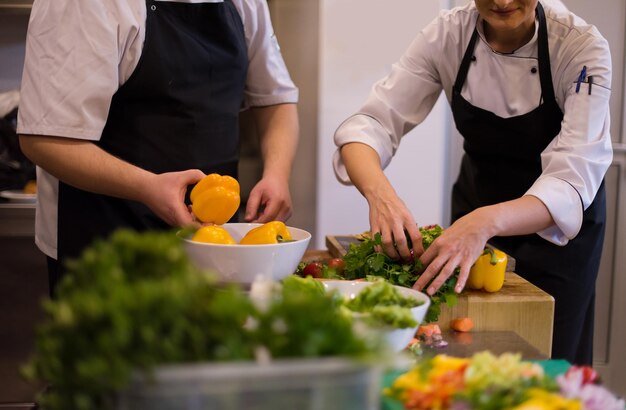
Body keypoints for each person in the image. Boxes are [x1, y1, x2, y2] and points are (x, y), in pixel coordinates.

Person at [333, 0, 611, 365]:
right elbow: (370, 124)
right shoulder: (448, 34)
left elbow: (569, 179)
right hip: (476, 209)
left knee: (547, 366)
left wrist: (483, 223)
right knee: (464, 351)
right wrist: (380, 195)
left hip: (555, 237)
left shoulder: (579, 46)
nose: (502, 2)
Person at [17, 0, 299, 294]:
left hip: (215, 249)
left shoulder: (246, 4)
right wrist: (147, 187)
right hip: (106, 248)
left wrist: (277, 174)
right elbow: (44, 139)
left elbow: (276, 100)